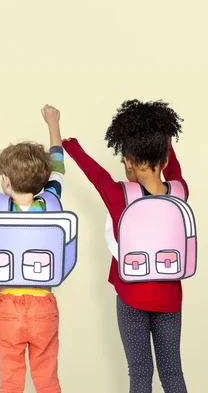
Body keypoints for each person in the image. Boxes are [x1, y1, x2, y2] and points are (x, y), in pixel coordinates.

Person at [62, 99, 187, 393]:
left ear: (128, 161)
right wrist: (164, 132)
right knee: (172, 372)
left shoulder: (121, 195)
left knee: (140, 373)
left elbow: (97, 176)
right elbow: (175, 168)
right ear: (165, 159)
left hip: (131, 296)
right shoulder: (180, 192)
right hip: (170, 297)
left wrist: (71, 146)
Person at [0, 104, 65, 393]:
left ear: (7, 182)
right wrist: (52, 123)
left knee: (10, 382)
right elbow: (59, 165)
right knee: (47, 380)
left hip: (8, 306)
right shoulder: (50, 203)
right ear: (43, 180)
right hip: (43, 307)